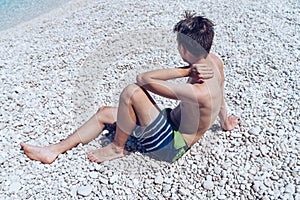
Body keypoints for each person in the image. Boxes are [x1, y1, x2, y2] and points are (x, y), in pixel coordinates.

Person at [20, 12, 240, 164]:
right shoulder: (214, 61)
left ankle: (117, 148)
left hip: (171, 146)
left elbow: (143, 79)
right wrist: (225, 122)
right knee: (104, 113)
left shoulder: (198, 91)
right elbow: (221, 94)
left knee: (131, 91)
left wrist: (183, 71)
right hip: (170, 122)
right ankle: (53, 150)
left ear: (183, 48)